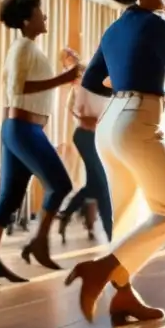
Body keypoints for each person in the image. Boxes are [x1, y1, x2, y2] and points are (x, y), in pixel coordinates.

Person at [64, 0, 165, 326]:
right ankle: (101, 270)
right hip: (139, 122)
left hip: (110, 124)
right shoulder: (158, 23)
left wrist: (125, 87)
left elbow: (93, 81)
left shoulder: (114, 29)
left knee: (127, 218)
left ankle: (123, 297)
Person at [0, 0, 81, 287]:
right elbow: (20, 86)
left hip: (21, 128)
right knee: (61, 184)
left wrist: (64, 78)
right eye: (40, 12)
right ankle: (39, 242)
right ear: (27, 20)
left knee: (10, 197)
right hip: (23, 128)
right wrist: (63, 79)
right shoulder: (23, 47)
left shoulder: (29, 47)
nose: (45, 17)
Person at [57, 63, 113, 244]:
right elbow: (80, 113)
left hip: (98, 139)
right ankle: (111, 232)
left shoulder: (111, 87)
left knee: (95, 185)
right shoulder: (86, 87)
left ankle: (66, 214)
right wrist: (97, 120)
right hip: (85, 137)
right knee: (102, 186)